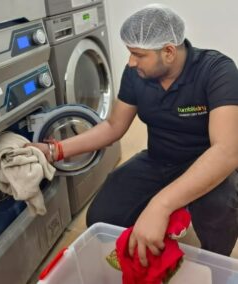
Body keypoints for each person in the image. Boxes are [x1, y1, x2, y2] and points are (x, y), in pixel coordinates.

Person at [26, 3, 238, 266]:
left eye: (138, 54)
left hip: (206, 163)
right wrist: (54, 150)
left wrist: (160, 205)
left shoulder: (217, 71)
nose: (130, 62)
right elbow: (113, 126)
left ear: (169, 52)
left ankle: (212, 266)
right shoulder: (136, 74)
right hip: (159, 160)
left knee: (220, 208)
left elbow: (226, 152)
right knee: (101, 218)